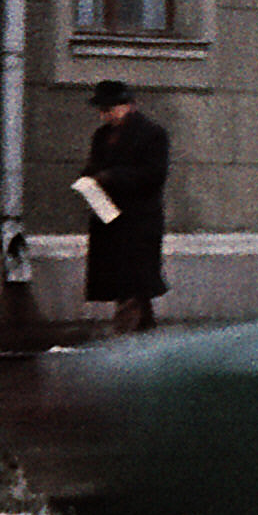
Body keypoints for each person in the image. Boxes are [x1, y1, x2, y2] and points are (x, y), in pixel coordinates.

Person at [75, 79, 170, 335]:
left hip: (138, 219)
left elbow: (153, 174)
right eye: (102, 110)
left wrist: (111, 177)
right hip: (109, 218)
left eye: (110, 109)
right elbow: (94, 164)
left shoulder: (152, 134)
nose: (105, 115)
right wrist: (89, 178)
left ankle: (125, 336)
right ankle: (144, 332)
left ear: (128, 106)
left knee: (133, 281)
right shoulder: (103, 135)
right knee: (126, 282)